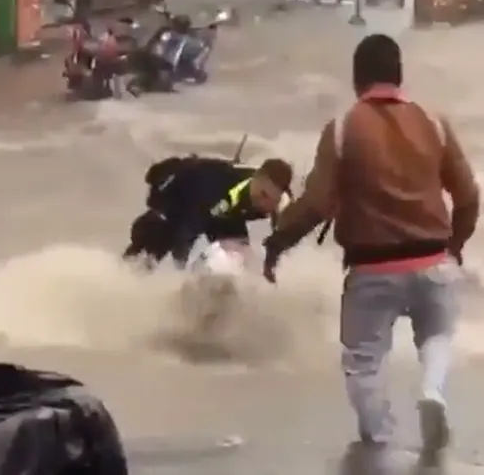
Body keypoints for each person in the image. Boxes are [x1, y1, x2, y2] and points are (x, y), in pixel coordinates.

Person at [263, 34, 480, 464]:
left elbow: (317, 204)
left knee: (364, 363)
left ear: (357, 78)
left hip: (373, 268)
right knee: (437, 333)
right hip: (433, 258)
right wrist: (454, 246)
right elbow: (469, 195)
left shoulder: (343, 129)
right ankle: (432, 390)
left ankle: (380, 446)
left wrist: (278, 241)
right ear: (399, 74)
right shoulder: (434, 122)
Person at [124, 155, 294, 270]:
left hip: (225, 211)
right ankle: (125, 275)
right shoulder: (223, 196)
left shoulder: (283, 201)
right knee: (154, 245)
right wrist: (178, 275)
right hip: (178, 194)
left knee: (239, 257)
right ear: (255, 180)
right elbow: (187, 234)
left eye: (274, 200)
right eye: (263, 195)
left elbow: (286, 236)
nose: (267, 204)